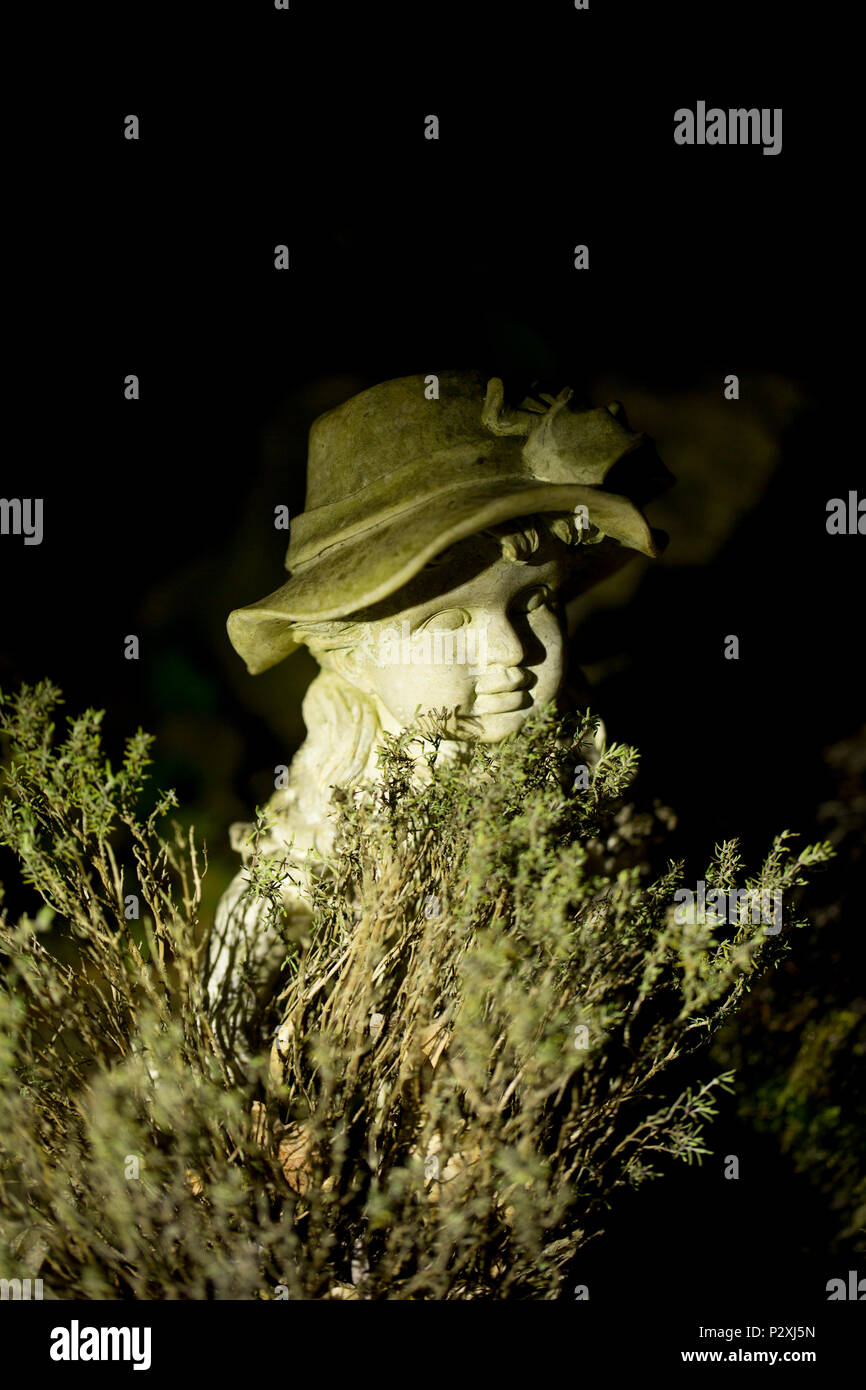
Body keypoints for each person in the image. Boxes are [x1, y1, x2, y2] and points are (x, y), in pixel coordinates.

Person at [205, 370, 672, 1077]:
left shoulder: (578, 763)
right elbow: (258, 925)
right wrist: (214, 1059)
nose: (512, 653)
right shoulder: (345, 796)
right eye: (448, 621)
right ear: (352, 657)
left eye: (533, 600)